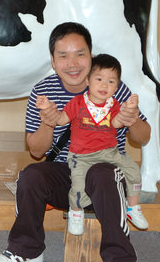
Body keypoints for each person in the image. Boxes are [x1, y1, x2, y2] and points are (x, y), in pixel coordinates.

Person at [0, 22, 151, 262]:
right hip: (67, 174)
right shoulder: (43, 92)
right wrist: (48, 121)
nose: (72, 63)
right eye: (63, 56)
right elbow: (36, 150)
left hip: (105, 179)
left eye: (80, 54)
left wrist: (132, 118)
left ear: (91, 55)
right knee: (31, 175)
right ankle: (26, 250)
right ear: (53, 61)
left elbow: (143, 137)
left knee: (104, 173)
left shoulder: (111, 85)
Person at [39, 53, 148, 236]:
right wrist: (48, 108)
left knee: (133, 171)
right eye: (99, 79)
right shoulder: (77, 103)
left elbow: (116, 123)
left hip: (110, 153)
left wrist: (128, 110)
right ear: (87, 81)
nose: (104, 85)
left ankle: (133, 207)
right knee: (78, 185)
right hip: (81, 156)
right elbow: (61, 119)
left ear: (117, 87)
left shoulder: (113, 105)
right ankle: (76, 211)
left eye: (111, 82)